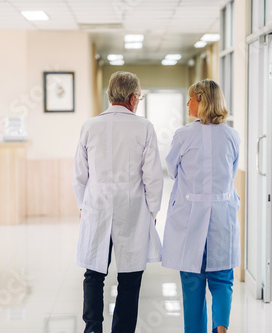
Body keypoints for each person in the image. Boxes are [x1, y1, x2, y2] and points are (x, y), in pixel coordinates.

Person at [72, 71, 164, 333]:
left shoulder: (89, 126)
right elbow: (153, 177)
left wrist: (84, 206)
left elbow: (79, 175)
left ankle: (93, 329)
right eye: (140, 97)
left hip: (96, 208)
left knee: (93, 274)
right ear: (134, 98)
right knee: (130, 276)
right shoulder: (144, 127)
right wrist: (153, 211)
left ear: (110, 95)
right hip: (132, 211)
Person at [162, 79, 240, 333]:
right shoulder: (232, 136)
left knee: (193, 282)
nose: (187, 104)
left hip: (190, 217)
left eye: (191, 99)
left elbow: (172, 170)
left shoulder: (183, 134)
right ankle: (221, 327)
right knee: (221, 278)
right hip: (222, 214)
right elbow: (232, 172)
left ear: (202, 101)